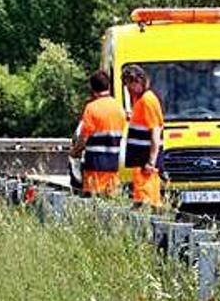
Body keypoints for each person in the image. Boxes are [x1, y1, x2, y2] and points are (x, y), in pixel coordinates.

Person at [69, 71, 126, 197]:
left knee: (93, 202)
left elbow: (83, 138)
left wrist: (74, 152)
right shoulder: (119, 108)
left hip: (94, 166)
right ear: (109, 87)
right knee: (110, 201)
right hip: (113, 165)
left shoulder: (91, 108)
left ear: (92, 88)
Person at [123, 65, 164, 208]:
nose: (128, 89)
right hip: (141, 162)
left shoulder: (147, 100)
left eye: (130, 84)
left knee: (148, 201)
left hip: (146, 163)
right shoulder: (141, 100)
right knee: (143, 199)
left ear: (139, 82)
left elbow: (155, 132)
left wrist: (151, 162)